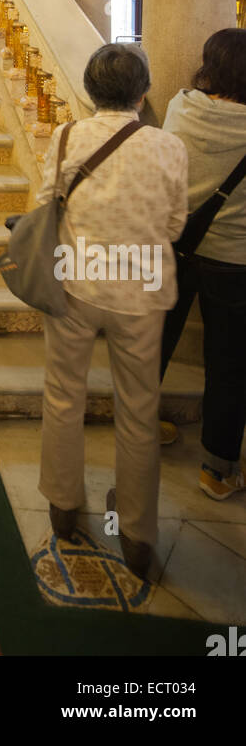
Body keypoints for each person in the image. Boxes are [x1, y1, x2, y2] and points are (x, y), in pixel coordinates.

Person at [35, 44, 188, 579]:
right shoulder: (169, 147)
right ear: (143, 93)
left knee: (62, 394)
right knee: (140, 411)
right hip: (142, 293)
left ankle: (61, 504)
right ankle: (140, 537)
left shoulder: (67, 137)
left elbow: (44, 203)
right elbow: (173, 227)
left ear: (89, 89)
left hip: (76, 285)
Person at [161, 28, 246, 499]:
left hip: (175, 247)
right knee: (229, 366)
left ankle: (140, 426)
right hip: (234, 262)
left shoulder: (182, 106)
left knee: (154, 343)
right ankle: (216, 469)